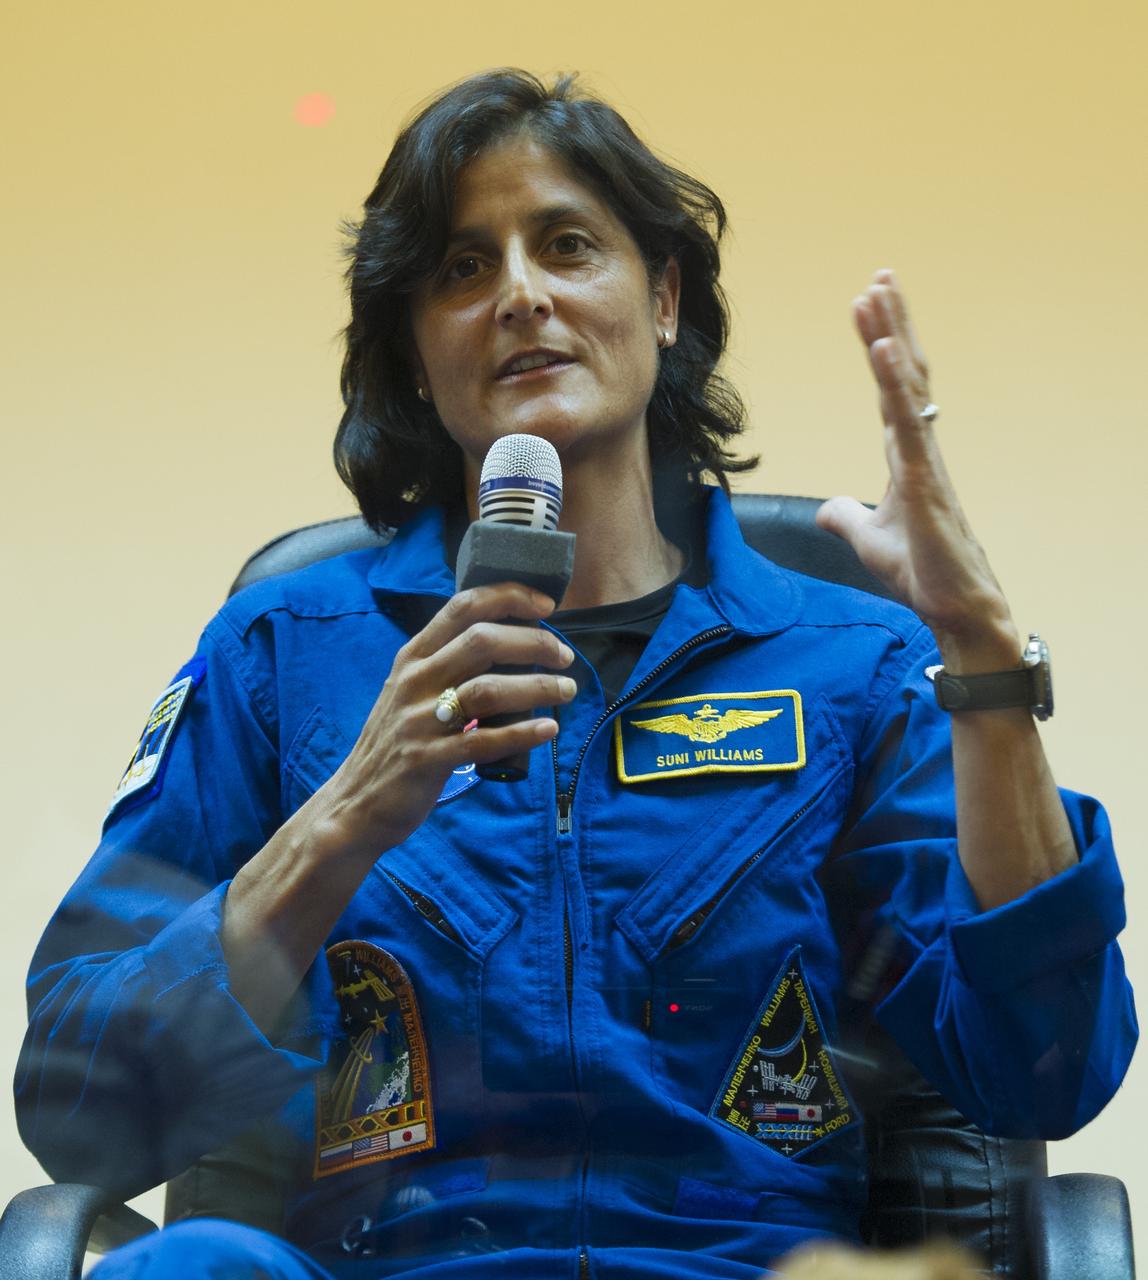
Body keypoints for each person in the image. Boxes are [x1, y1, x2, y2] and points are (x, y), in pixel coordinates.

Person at [16, 68, 1136, 1279]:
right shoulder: (280, 652)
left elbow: (1042, 1065)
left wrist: (980, 659)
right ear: (416, 348)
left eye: (565, 246)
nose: (519, 296)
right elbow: (77, 1106)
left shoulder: (851, 664)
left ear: (659, 298)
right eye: (460, 268)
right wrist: (340, 817)